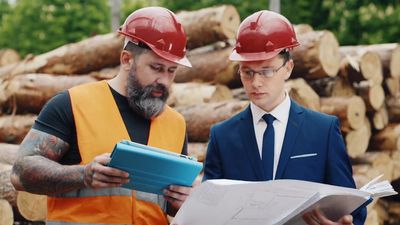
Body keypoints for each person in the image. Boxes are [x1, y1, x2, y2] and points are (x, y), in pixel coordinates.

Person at [11, 7, 193, 225]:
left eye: (171, 71)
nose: (164, 80)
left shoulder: (176, 124)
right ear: (127, 60)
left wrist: (182, 200)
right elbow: (20, 173)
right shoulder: (72, 104)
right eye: (156, 68)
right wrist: (83, 175)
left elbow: (164, 202)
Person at [203, 10, 367, 225]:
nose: (256, 82)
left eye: (266, 71)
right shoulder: (222, 136)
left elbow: (352, 208)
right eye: (247, 72)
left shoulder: (322, 131)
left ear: (288, 68)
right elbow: (207, 210)